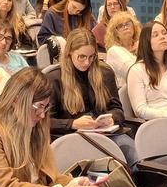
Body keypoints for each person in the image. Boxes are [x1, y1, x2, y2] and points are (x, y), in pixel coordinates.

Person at [49, 28, 136, 163]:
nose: (87, 63)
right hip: (71, 136)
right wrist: (72, 124)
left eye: (92, 57)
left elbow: (117, 109)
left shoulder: (105, 73)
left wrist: (112, 119)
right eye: (82, 57)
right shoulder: (54, 78)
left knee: (132, 156)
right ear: (69, 53)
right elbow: (45, 121)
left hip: (106, 133)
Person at [104, 12, 141, 89]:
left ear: (134, 27)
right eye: (120, 26)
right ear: (115, 33)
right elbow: (133, 72)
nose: (125, 27)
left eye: (128, 24)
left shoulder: (140, 46)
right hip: (123, 92)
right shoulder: (114, 51)